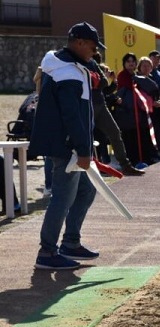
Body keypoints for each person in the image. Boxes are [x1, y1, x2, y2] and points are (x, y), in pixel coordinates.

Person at [29, 22, 104, 270]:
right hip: (67, 147)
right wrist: (83, 150)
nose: (94, 53)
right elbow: (72, 116)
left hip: (68, 144)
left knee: (86, 191)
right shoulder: (68, 73)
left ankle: (70, 242)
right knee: (62, 198)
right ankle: (47, 252)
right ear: (79, 42)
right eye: (92, 47)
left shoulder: (65, 64)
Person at [89, 52, 145, 175]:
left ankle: (125, 166)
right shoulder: (76, 64)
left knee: (114, 132)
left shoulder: (92, 63)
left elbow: (103, 82)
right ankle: (89, 169)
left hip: (100, 104)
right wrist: (94, 81)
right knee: (89, 137)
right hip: (86, 105)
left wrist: (96, 81)